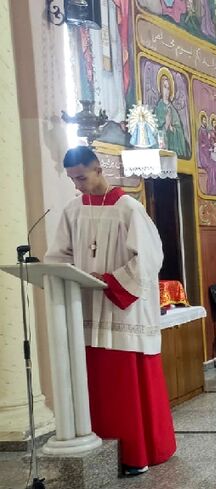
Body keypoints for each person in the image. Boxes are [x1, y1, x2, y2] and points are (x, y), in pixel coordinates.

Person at [46, 146, 176, 475]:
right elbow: (58, 256)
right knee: (97, 389)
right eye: (72, 179)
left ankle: (135, 454)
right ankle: (99, 453)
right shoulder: (72, 211)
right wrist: (63, 274)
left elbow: (149, 260)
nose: (77, 185)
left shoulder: (129, 209)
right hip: (87, 312)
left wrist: (111, 283)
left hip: (122, 310)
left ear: (98, 170)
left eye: (82, 177)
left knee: (124, 388)